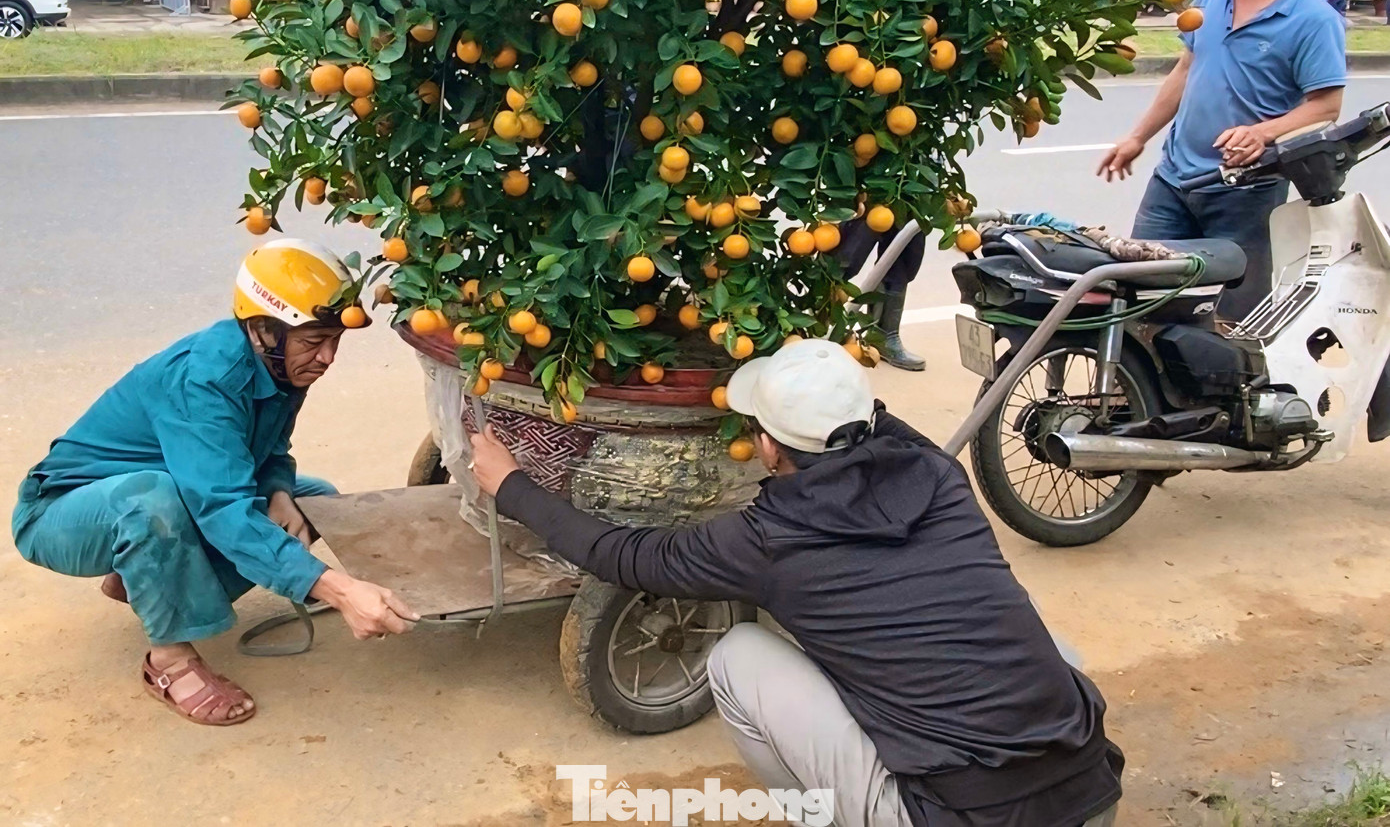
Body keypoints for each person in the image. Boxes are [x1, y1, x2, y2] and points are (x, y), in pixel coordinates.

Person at [469, 339, 1122, 827]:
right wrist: (824, 383)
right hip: (1091, 795)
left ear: (772, 450)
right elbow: (882, 427)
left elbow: (625, 555)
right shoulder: (941, 480)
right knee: (1046, 649)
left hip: (955, 816)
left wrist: (511, 487)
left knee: (738, 658)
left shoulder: (764, 542)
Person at [10, 239, 418, 726]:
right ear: (265, 330)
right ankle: (169, 661)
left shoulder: (281, 369)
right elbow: (222, 507)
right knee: (153, 504)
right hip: (61, 514)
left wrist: (281, 491)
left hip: (164, 489)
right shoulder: (204, 379)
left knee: (316, 501)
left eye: (335, 340)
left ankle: (148, 582)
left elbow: (268, 452)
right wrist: (340, 590)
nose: (327, 357)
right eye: (314, 341)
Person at [1097, 0, 1345, 320]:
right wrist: (1138, 136)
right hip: (1172, 182)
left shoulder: (1313, 20)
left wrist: (1263, 133)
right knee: (1140, 305)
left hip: (1245, 196)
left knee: (1232, 323)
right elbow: (1187, 66)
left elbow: (1326, 106)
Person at [836, 216, 926, 371]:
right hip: (870, 196)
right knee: (844, 259)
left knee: (903, 255)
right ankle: (817, 328)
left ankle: (884, 336)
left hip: (911, 198)